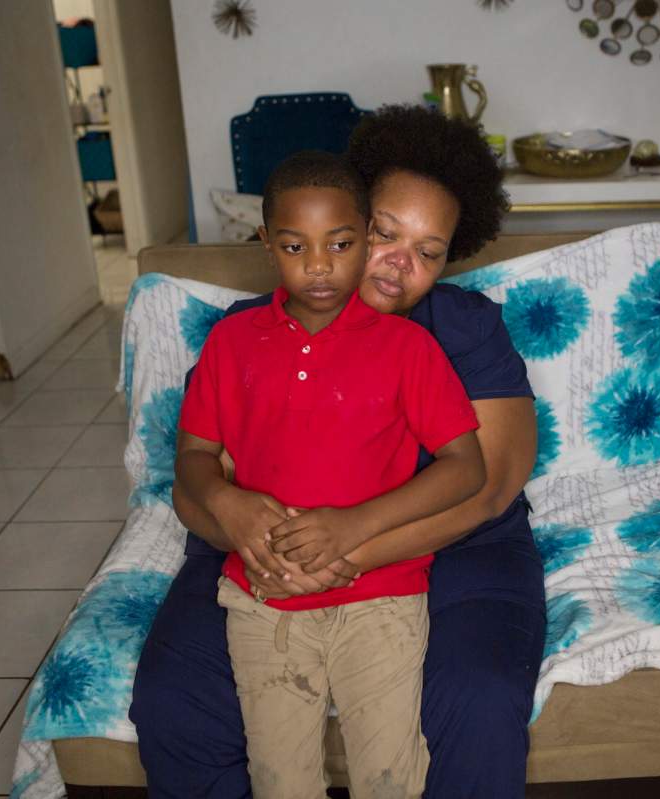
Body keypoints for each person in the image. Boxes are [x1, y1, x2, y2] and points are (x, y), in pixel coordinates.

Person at [131, 105, 546, 799]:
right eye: (384, 233)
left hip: (460, 547)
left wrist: (340, 555)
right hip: (265, 559)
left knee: (476, 698)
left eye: (428, 250)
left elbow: (486, 487)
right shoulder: (245, 336)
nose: (396, 265)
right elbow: (196, 480)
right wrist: (243, 534)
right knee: (175, 695)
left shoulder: (462, 329)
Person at [177, 149, 486, 798]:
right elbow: (193, 459)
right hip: (266, 601)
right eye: (295, 246)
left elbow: (466, 468)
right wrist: (227, 506)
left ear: (366, 236)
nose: (318, 265)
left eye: (341, 243)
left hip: (382, 599)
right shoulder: (232, 344)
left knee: (390, 776)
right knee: (280, 781)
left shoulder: (407, 348)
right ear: (266, 243)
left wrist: (353, 526)